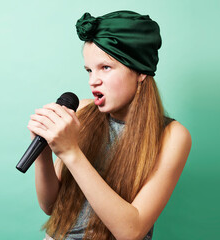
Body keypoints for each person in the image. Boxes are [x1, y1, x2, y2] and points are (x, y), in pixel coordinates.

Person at [27, 10, 192, 240]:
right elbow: (51, 207)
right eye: (89, 70)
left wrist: (71, 152)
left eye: (105, 67)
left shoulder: (172, 136)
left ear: (140, 71)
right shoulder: (83, 112)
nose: (93, 80)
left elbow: (131, 231)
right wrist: (43, 153)